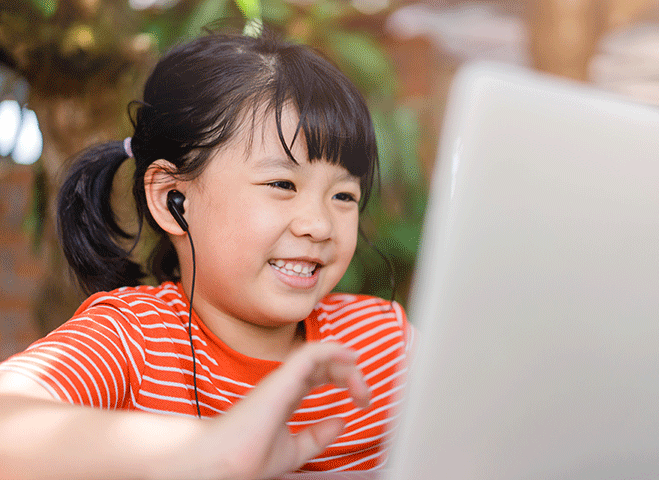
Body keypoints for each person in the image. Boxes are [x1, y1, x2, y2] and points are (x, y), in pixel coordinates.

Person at [0, 28, 414, 480]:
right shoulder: (132, 339)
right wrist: (211, 449)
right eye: (282, 184)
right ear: (174, 199)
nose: (318, 224)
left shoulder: (381, 341)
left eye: (344, 196)